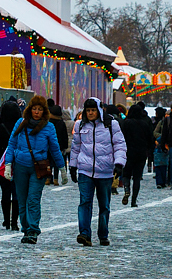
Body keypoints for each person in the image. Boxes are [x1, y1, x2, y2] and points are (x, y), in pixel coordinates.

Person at [1, 94, 64, 244]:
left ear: (44, 111)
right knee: (22, 200)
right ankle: (26, 229)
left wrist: (62, 167)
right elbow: (12, 144)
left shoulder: (49, 127)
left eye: (40, 109)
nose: (36, 112)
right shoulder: (21, 123)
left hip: (39, 168)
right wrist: (8, 164)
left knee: (33, 199)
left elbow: (55, 149)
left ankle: (33, 230)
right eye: (34, 109)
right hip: (21, 166)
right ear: (30, 109)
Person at [70, 98, 127, 246]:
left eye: (93, 110)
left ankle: (103, 234)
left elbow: (119, 145)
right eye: (88, 110)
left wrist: (119, 163)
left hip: (105, 171)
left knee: (104, 205)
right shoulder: (79, 125)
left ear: (99, 110)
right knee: (84, 202)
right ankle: (84, 234)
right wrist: (73, 166)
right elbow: (76, 147)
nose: (90, 113)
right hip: (85, 170)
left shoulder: (111, 124)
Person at [119, 102, 154, 206]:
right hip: (141, 153)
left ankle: (126, 190)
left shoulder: (126, 123)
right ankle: (134, 200)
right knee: (137, 178)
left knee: (126, 174)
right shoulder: (144, 124)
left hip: (128, 152)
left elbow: (121, 138)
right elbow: (150, 139)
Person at [0, 100, 20, 230]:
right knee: (16, 193)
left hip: (3, 162)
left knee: (5, 192)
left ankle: (6, 221)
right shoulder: (21, 127)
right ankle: (15, 222)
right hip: (18, 162)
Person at [47, 101, 70, 186]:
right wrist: (64, 147)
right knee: (56, 163)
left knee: (49, 163)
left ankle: (48, 178)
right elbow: (64, 136)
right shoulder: (61, 123)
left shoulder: (48, 123)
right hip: (59, 146)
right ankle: (56, 179)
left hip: (48, 146)